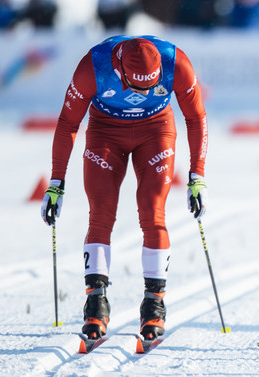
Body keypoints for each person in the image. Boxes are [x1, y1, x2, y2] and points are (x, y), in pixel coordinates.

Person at [40, 36, 209, 342]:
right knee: (101, 211)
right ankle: (96, 301)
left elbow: (196, 117)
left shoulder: (176, 62)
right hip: (106, 132)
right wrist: (56, 183)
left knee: (152, 208)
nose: (143, 93)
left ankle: (154, 304)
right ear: (119, 70)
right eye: (137, 88)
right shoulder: (94, 65)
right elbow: (67, 123)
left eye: (151, 87)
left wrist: (198, 176)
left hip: (156, 130)